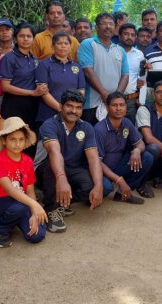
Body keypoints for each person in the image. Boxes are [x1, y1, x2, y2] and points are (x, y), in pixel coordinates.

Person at [36, 90, 104, 232]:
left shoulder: (86, 127)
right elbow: (54, 152)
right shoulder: (50, 125)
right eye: (69, 106)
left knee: (90, 186)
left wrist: (99, 185)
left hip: (73, 169)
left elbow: (93, 158)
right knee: (51, 167)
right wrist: (61, 178)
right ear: (61, 106)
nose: (74, 111)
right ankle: (51, 208)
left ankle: (62, 201)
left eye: (78, 107)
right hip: (48, 169)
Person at [0, 117, 47, 248]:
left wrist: (34, 213)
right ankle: (1, 228)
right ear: (4, 140)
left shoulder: (28, 161)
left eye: (21, 139)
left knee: (37, 235)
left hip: (20, 202)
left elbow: (30, 191)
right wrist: (34, 205)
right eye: (12, 139)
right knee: (20, 207)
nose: (17, 144)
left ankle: (14, 219)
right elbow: (10, 190)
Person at [0, 22, 48, 156]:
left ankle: (27, 170)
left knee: (29, 143)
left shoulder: (34, 59)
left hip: (32, 107)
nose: (25, 39)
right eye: (22, 36)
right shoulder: (9, 58)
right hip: (13, 105)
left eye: (29, 36)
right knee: (13, 143)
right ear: (15, 38)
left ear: (33, 38)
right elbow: (5, 86)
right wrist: (32, 93)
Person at [96, 92, 154, 204]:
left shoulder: (126, 123)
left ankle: (122, 194)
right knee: (106, 188)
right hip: (102, 170)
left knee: (147, 157)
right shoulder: (99, 129)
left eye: (122, 105)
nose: (118, 108)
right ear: (107, 107)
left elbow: (140, 143)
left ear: (126, 107)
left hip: (119, 166)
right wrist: (119, 180)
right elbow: (97, 162)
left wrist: (136, 150)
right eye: (114, 105)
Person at [78, 12, 129, 124]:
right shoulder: (88, 44)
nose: (108, 26)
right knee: (91, 133)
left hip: (113, 106)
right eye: (104, 23)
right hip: (92, 104)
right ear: (96, 27)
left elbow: (125, 75)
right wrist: (105, 94)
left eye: (111, 24)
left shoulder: (120, 50)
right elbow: (88, 71)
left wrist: (116, 98)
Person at [35, 31, 86, 128]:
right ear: (53, 46)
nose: (63, 46)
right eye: (59, 43)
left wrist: (72, 109)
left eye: (66, 43)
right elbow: (43, 92)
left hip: (71, 116)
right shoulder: (44, 64)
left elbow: (81, 91)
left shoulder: (77, 67)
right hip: (48, 114)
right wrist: (62, 109)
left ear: (70, 46)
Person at [117, 23, 145, 122]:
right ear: (119, 36)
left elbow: (141, 77)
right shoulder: (112, 51)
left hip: (130, 101)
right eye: (126, 34)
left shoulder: (139, 54)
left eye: (133, 35)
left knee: (129, 128)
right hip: (112, 99)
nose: (130, 37)